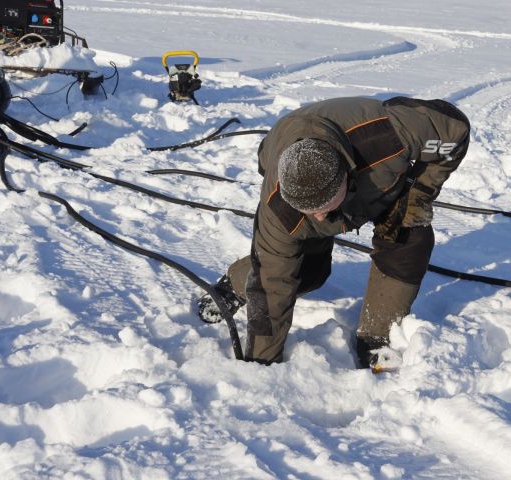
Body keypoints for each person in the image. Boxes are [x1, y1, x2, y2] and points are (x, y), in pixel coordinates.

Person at [199, 96, 470, 367]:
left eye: (324, 206)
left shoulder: (390, 135)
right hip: (285, 150)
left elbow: (454, 128)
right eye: (309, 210)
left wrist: (418, 191)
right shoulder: (280, 210)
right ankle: (235, 284)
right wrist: (261, 364)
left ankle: (377, 334)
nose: (318, 215)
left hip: (375, 178)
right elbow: (272, 282)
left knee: (410, 237)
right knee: (305, 272)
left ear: (344, 178)